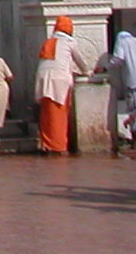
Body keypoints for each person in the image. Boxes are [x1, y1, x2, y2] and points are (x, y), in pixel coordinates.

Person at [34, 14, 92, 154]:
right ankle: (58, 146)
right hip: (59, 82)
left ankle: (45, 144)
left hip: (43, 80)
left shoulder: (48, 42)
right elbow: (79, 61)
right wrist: (87, 72)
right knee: (57, 115)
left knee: (46, 114)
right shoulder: (69, 42)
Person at [96, 29, 136, 153]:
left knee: (133, 112)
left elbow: (118, 59)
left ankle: (135, 144)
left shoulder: (122, 43)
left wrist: (104, 67)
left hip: (132, 82)